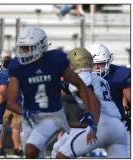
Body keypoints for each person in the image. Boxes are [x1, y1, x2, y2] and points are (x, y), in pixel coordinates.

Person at [6, 26, 98, 158]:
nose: (24, 52)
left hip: (52, 115)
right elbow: (10, 102)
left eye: (29, 48)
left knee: (31, 149)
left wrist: (89, 112)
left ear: (41, 46)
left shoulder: (55, 60)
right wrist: (24, 112)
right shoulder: (17, 66)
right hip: (30, 116)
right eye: (23, 48)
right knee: (33, 154)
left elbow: (80, 85)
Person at [52, 47, 128, 158]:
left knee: (61, 155)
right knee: (59, 146)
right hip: (118, 127)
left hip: (101, 124)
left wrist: (93, 127)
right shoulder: (101, 80)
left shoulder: (79, 78)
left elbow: (95, 103)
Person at [88, 43, 131, 156]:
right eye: (94, 64)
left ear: (108, 61)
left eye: (101, 64)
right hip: (92, 125)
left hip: (118, 124)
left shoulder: (119, 74)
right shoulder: (82, 77)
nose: (97, 68)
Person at [0, 54, 23, 158]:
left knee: (1, 128)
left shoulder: (0, 74)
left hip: (4, 103)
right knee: (16, 128)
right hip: (16, 103)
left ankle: (0, 150)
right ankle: (17, 149)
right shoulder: (17, 73)